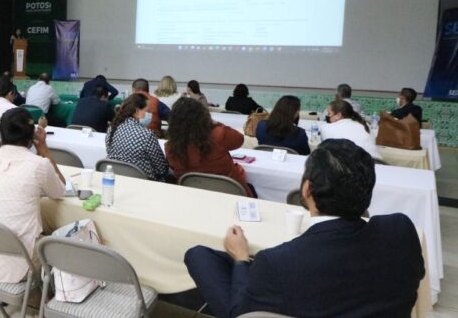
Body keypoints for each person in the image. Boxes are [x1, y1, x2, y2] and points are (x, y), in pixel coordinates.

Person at [183, 139, 424, 318]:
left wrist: (241, 259)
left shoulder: (278, 263)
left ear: (307, 189)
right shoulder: (400, 231)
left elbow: (241, 313)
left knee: (199, 255)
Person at [0, 108, 66, 283]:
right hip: (19, 265)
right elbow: (60, 191)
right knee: (63, 245)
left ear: (0, 133)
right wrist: (43, 148)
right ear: (32, 134)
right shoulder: (38, 165)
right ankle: (44, 296)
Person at [165, 98, 253, 196]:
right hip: (230, 194)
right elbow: (240, 139)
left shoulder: (170, 147)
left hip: (193, 196)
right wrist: (214, 123)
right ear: (203, 116)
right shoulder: (219, 135)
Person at [105, 93, 171, 182]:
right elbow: (162, 169)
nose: (149, 115)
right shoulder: (147, 135)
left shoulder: (111, 129)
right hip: (143, 182)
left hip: (117, 179)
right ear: (137, 112)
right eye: (147, 111)